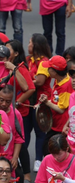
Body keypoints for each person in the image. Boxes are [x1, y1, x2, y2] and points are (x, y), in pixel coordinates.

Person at [5, 40, 35, 183]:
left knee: (20, 143)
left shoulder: (20, 68)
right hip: (5, 110)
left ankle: (27, 175)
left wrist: (16, 102)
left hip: (19, 113)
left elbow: (30, 88)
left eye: (8, 49)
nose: (5, 51)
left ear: (16, 53)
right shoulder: (3, 65)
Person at [26, 33, 52, 173]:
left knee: (40, 131)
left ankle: (38, 160)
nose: (28, 45)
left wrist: (26, 83)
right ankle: (22, 157)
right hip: (29, 102)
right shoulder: (28, 60)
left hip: (41, 102)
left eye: (30, 42)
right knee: (26, 130)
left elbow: (40, 81)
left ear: (35, 45)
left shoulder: (44, 62)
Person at [39, 55, 72, 156]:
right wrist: (46, 100)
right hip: (54, 124)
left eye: (49, 68)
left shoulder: (67, 85)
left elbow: (61, 109)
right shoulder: (58, 80)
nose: (47, 69)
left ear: (54, 71)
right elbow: (56, 99)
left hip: (61, 127)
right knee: (46, 149)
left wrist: (46, 102)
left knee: (53, 152)